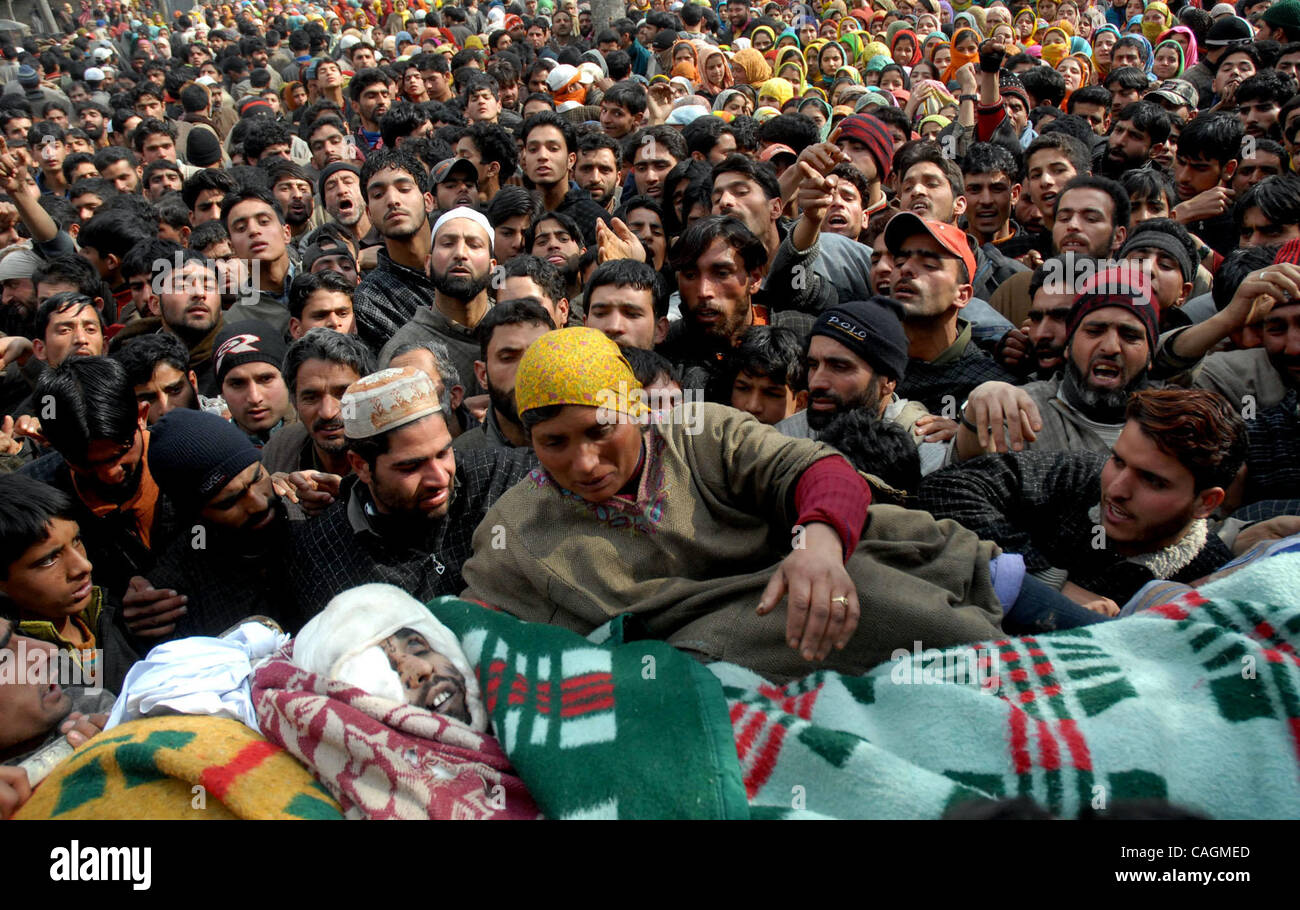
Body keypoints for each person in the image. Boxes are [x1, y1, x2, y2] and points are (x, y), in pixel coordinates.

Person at [460, 327, 1013, 684]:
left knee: (867, 574)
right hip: (715, 650)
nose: (583, 463)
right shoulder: (516, 527)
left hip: (827, 570)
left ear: (636, 411)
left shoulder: (702, 432)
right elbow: (472, 618)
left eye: (600, 431)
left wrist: (818, 547)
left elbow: (820, 472)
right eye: (554, 443)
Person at [920, 388, 1244, 612]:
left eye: (1152, 481)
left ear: (1207, 503)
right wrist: (1048, 581)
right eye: (1118, 460)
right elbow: (946, 490)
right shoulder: (1078, 474)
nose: (1117, 489)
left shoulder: (1212, 578)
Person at [287, 367, 534, 621]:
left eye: (443, 453)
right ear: (361, 465)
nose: (439, 478)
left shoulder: (497, 475)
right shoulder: (322, 556)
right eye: (411, 466)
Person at [140, 408, 302, 638]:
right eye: (229, 501)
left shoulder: (308, 516)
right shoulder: (177, 592)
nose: (257, 503)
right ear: (197, 515)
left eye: (257, 478)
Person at [0, 473, 136, 693]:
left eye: (77, 541)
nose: (83, 566)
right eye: (49, 560)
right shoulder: (16, 671)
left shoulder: (115, 613)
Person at [378, 206, 496, 396]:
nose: (460, 254)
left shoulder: (511, 329)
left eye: (474, 245)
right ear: (428, 264)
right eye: (448, 244)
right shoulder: (402, 350)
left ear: (493, 267)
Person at [455, 299, 555, 451]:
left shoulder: (589, 445)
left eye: (539, 356)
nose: (526, 371)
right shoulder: (462, 458)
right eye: (508, 358)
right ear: (483, 375)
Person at [212, 321, 293, 447]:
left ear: (288, 379)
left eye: (266, 379)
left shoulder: (319, 440)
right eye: (237, 384)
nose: (255, 398)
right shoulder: (208, 454)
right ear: (222, 392)